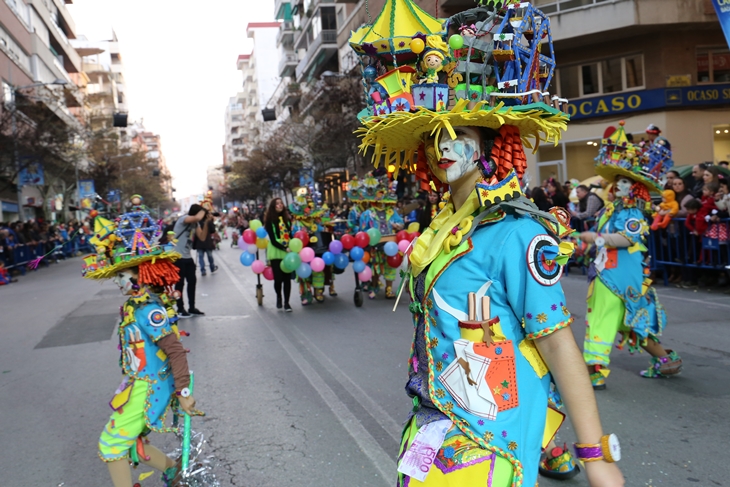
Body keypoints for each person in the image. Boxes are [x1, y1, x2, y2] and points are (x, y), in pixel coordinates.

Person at [353, 3, 624, 483]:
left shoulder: (517, 233)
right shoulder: (442, 229)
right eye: (434, 136)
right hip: (432, 426)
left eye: (458, 135)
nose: (442, 148)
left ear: (491, 145)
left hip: (488, 439)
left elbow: (559, 346)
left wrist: (595, 456)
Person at [80, 205, 203, 487]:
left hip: (150, 387)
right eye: (118, 276)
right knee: (132, 441)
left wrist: (183, 391)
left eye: (124, 275)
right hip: (138, 383)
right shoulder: (135, 307)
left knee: (110, 445)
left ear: (140, 275)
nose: (119, 281)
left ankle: (174, 472)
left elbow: (174, 349)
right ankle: (174, 471)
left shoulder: (148, 310)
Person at [581, 122, 682, 389]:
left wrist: (596, 238)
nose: (620, 185)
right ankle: (666, 361)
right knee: (628, 321)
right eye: (619, 181)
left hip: (619, 274)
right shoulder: (613, 209)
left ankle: (594, 370)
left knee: (602, 317)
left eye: (626, 181)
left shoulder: (632, 213)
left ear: (636, 186)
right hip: (609, 270)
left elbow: (627, 239)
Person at [173, 204, 211, 317]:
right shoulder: (183, 219)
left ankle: (192, 307)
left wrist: (207, 222)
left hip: (188, 257)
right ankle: (180, 308)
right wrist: (204, 210)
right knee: (179, 284)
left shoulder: (196, 224)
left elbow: (202, 237)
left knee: (192, 282)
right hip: (177, 257)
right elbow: (198, 217)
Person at [265, 197, 293, 312]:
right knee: (278, 279)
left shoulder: (287, 220)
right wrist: (284, 248)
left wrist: (291, 246)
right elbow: (272, 239)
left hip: (287, 250)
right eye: (277, 203)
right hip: (276, 251)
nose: (280, 205)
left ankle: (287, 303)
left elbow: (290, 235)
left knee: (287, 279)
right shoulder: (270, 221)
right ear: (273, 206)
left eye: (281, 203)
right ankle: (279, 297)